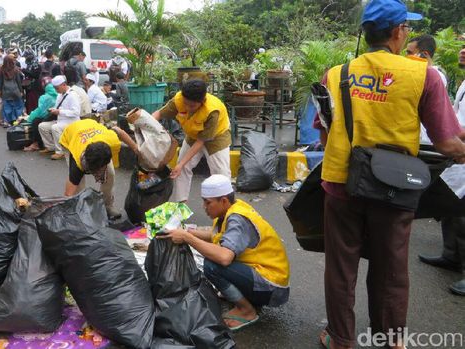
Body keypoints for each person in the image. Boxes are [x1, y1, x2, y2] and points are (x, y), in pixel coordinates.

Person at [315, 1, 465, 348]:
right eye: (407, 28)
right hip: (395, 187)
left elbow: (324, 133)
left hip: (341, 183)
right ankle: (391, 339)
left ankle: (340, 338)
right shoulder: (422, 74)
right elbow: (446, 142)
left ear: (365, 35)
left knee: (341, 268)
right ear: (398, 32)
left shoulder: (336, 74)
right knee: (392, 267)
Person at [159, 174, 290, 330]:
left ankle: (247, 311)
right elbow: (215, 236)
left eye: (208, 203)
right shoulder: (231, 209)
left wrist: (187, 238)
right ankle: (243, 296)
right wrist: (186, 231)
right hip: (265, 278)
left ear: (224, 201)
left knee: (212, 265)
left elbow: (224, 258)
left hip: (272, 286)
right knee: (214, 257)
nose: (204, 207)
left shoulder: (237, 219)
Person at [418, 47, 465, 297]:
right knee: (452, 208)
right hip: (456, 152)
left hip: (459, 149)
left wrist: (447, 134)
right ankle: (451, 256)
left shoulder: (436, 76)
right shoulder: (463, 83)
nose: (463, 51)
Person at [153, 79, 231, 202]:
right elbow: (159, 114)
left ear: (202, 101)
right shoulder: (179, 100)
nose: (188, 108)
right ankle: (180, 206)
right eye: (186, 104)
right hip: (193, 135)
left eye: (193, 106)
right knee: (181, 169)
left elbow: (201, 142)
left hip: (217, 138)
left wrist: (180, 164)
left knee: (220, 174)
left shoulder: (212, 110)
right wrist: (147, 125)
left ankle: (226, 210)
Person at [59, 118, 122, 219]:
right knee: (78, 183)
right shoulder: (77, 160)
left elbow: (120, 131)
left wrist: (136, 149)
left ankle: (107, 206)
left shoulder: (111, 141)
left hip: (94, 133)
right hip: (70, 137)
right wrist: (65, 213)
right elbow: (68, 192)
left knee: (110, 174)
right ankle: (79, 209)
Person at [35, 75, 80, 157]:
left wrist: (60, 112)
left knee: (55, 128)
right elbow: (57, 107)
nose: (56, 90)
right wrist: (53, 109)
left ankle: (61, 152)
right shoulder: (60, 95)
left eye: (57, 88)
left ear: (64, 85)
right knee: (42, 126)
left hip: (71, 122)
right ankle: (50, 147)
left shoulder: (72, 95)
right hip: (60, 120)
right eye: (55, 88)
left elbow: (76, 112)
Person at [20, 79, 57, 152]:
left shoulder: (44, 97)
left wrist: (29, 117)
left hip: (51, 117)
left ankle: (36, 144)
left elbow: (40, 112)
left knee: (36, 121)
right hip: (57, 117)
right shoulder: (59, 96)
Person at [0, 55, 24, 127]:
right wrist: (21, 91)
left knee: (7, 106)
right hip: (15, 90)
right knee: (18, 106)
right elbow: (18, 81)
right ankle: (18, 120)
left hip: (6, 90)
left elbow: (0, 82)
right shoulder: (15, 69)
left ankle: (7, 121)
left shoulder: (2, 70)